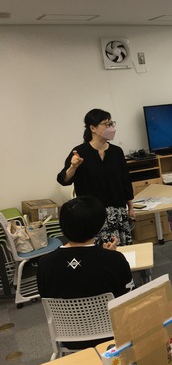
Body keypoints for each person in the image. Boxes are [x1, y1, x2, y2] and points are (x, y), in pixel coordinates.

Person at [37, 196, 134, 348]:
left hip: (68, 339)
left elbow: (46, 296)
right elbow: (128, 300)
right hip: (112, 337)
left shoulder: (44, 264)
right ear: (99, 226)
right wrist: (110, 256)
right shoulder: (115, 260)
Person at [57, 108, 135, 245]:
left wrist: (131, 207)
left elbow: (125, 181)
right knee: (97, 251)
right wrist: (73, 167)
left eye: (111, 124)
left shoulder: (117, 151)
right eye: (106, 124)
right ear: (93, 128)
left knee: (119, 249)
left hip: (117, 211)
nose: (111, 128)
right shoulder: (80, 152)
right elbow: (64, 180)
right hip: (92, 213)